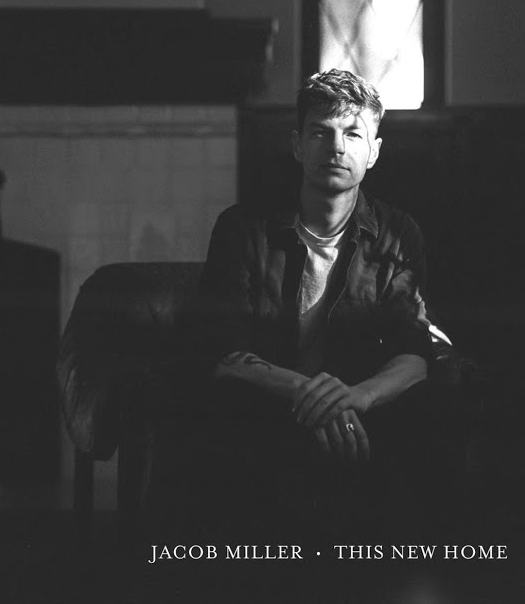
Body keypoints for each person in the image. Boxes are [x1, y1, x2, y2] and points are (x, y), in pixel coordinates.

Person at [184, 69, 459, 539]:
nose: (336, 147)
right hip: (269, 409)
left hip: (359, 417)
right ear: (297, 145)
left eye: (352, 134)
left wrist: (357, 397)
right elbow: (221, 352)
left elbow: (413, 353)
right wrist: (307, 394)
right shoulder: (242, 228)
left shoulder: (398, 233)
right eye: (320, 132)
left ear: (373, 151)